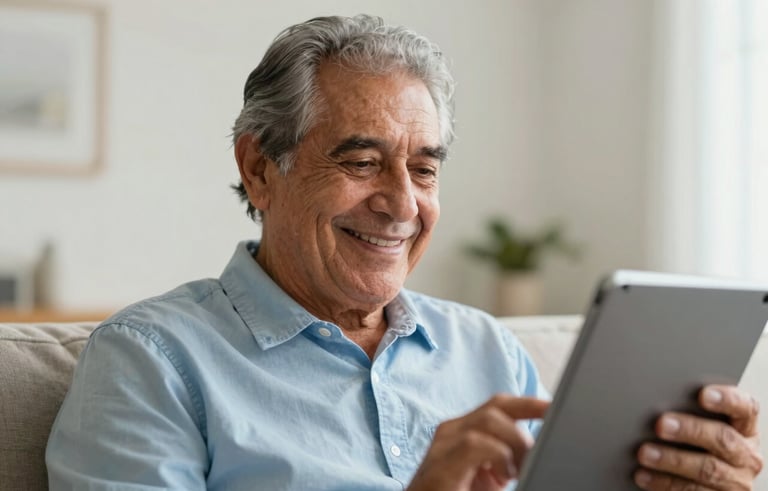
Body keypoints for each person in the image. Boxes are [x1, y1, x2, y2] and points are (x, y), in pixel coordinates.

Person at [46, 14, 762, 491]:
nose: (402, 203)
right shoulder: (150, 360)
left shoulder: (489, 351)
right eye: (361, 162)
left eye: (424, 168)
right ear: (261, 168)